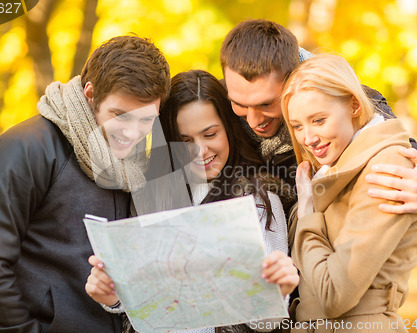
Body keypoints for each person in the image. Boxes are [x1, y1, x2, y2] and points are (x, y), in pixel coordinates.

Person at [0, 35, 170, 333]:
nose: (133, 132)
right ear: (90, 93)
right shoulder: (24, 149)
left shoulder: (133, 165)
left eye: (145, 120)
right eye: (120, 115)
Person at [85, 70, 299, 333]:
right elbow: (148, 304)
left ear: (229, 130)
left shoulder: (258, 198)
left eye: (209, 135)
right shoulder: (151, 194)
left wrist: (276, 295)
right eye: (185, 141)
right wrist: (115, 297)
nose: (200, 151)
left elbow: (264, 323)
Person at [220, 19, 417, 229]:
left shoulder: (350, 102)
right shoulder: (216, 102)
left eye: (266, 104)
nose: (253, 120)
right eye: (239, 104)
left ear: (294, 80)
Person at [283, 54, 417, 332]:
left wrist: (306, 215)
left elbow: (334, 295)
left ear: (353, 104)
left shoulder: (386, 167)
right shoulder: (335, 166)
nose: (308, 138)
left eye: (319, 120)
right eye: (298, 126)